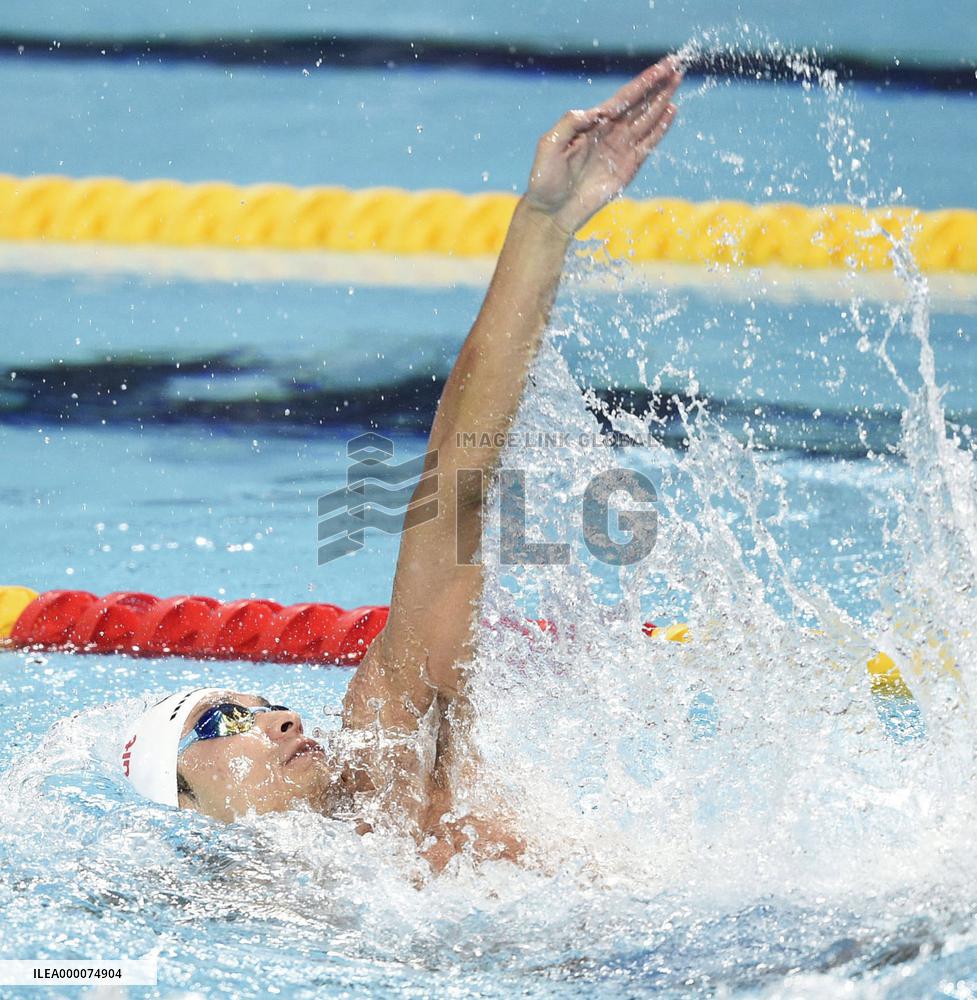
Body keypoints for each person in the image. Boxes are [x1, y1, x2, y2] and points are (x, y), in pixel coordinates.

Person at [121, 57, 682, 870]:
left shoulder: (391, 774)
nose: (280, 721)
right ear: (181, 802)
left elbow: (455, 487)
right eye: (221, 724)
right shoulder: (229, 903)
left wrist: (542, 224)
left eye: (267, 705)